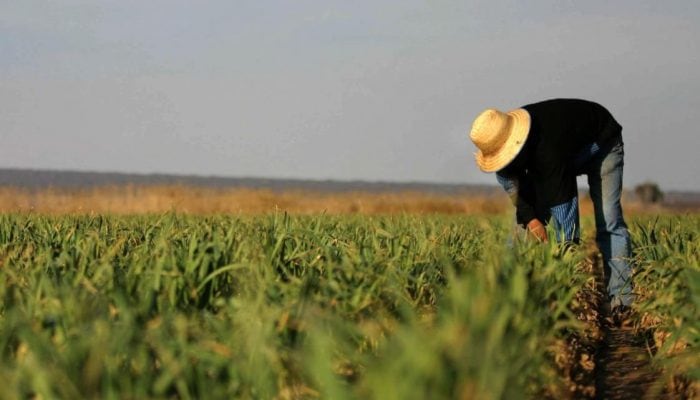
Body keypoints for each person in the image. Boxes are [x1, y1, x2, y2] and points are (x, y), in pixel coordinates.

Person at [468, 98, 633, 318]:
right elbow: (520, 199)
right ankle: (509, 299)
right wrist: (533, 222)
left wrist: (564, 271)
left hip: (601, 143)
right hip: (563, 153)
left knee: (608, 219)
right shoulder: (504, 163)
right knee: (520, 233)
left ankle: (620, 302)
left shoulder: (547, 151)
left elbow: (567, 220)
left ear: (515, 145)